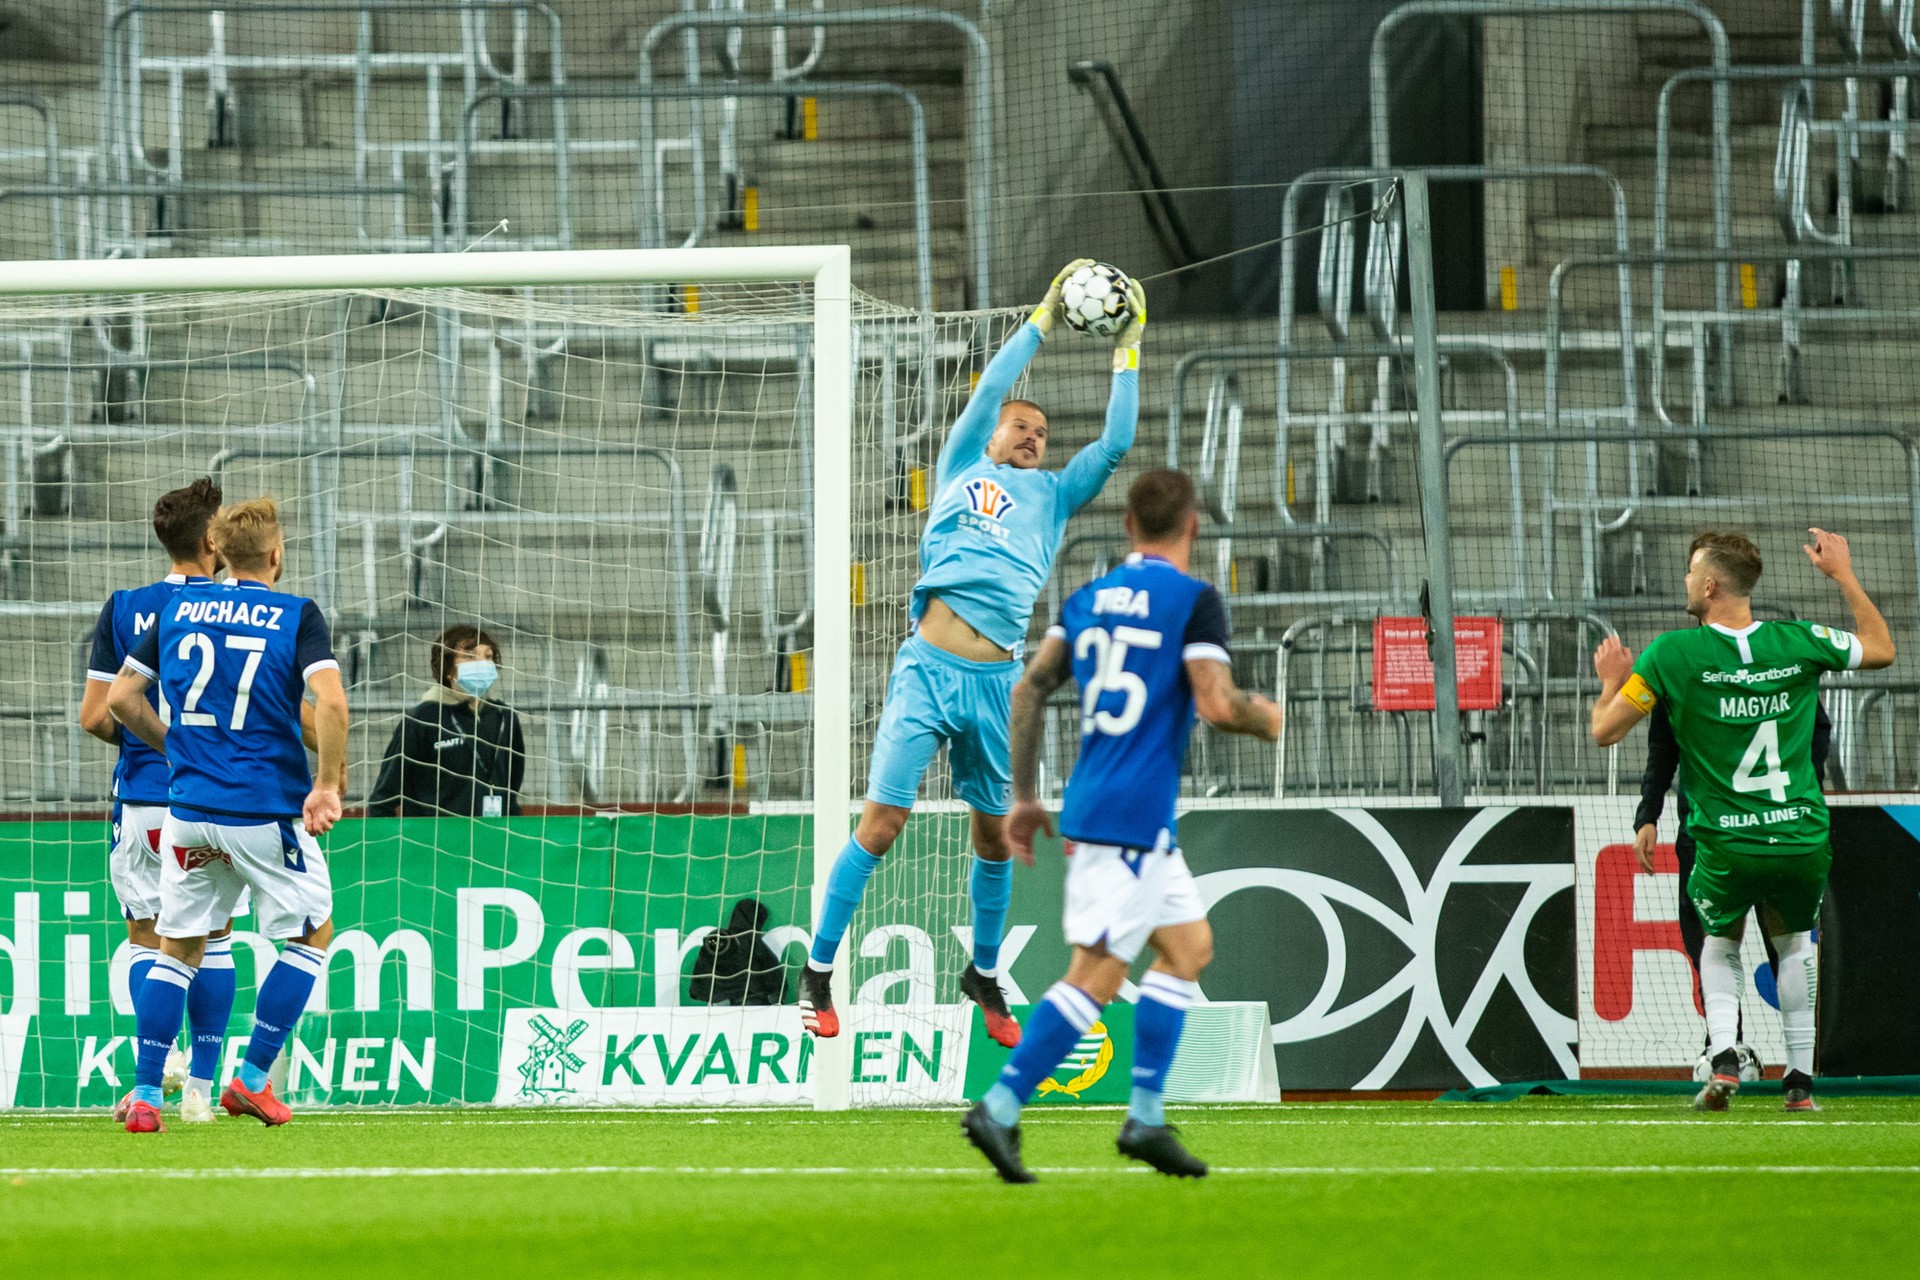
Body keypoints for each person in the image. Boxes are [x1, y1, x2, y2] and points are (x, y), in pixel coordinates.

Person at [801, 260, 1147, 1048]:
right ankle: (819, 970)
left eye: (1042, 434)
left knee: (992, 837)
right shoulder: (962, 465)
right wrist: (1045, 320)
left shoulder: (1056, 495)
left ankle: (982, 973)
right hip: (926, 671)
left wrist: (1128, 344)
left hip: (994, 681)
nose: (1031, 436)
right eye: (1020, 427)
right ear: (991, 432)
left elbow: (1119, 439)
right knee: (883, 821)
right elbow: (991, 387)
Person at [961, 470, 1280, 1183]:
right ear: (1192, 527)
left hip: (1114, 809)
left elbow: (1031, 686)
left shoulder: (1085, 599)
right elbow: (1218, 704)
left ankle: (1143, 1116)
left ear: (1129, 528)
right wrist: (1269, 717)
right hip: (1129, 816)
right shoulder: (1194, 601)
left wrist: (1022, 795)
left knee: (1190, 947)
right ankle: (1001, 1107)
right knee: (1097, 975)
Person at [1591, 528, 1894, 1113]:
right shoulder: (1798, 642)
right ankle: (1801, 1086)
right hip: (1801, 837)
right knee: (1794, 949)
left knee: (1718, 947)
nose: (1684, 583)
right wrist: (1843, 577)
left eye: (1688, 573)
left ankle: (1725, 1057)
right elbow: (1881, 647)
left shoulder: (1673, 654)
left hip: (1727, 842)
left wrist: (1609, 683)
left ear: (1709, 584)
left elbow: (1604, 731)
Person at [108, 497, 351, 1133]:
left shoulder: (179, 608)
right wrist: (326, 784)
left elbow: (121, 699)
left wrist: (179, 748)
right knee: (311, 933)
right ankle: (249, 1077)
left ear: (222, 552)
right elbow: (330, 704)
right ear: (275, 555)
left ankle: (143, 1096)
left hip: (186, 809)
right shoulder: (297, 614)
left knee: (177, 947)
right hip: (261, 808)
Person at [78, 478, 238, 1124]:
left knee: (150, 942)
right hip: (213, 800)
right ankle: (201, 1087)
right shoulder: (240, 610)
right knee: (217, 938)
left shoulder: (124, 607)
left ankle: (155, 1069)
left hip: (144, 797)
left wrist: (156, 744)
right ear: (209, 541)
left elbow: (95, 715)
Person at [1635, 697, 1832, 1071]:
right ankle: (1744, 1054)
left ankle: (1738, 1056)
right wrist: (1648, 813)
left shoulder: (1686, 659)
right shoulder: (1775, 650)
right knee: (1776, 946)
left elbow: (1609, 728)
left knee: (1733, 943)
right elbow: (1663, 744)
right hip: (1744, 831)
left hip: (1741, 832)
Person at [367, 624, 526, 818]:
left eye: (488, 656)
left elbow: (512, 787)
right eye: (469, 656)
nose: (482, 663)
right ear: (447, 669)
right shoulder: (421, 719)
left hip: (494, 839)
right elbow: (382, 799)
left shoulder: (504, 717)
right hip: (434, 842)